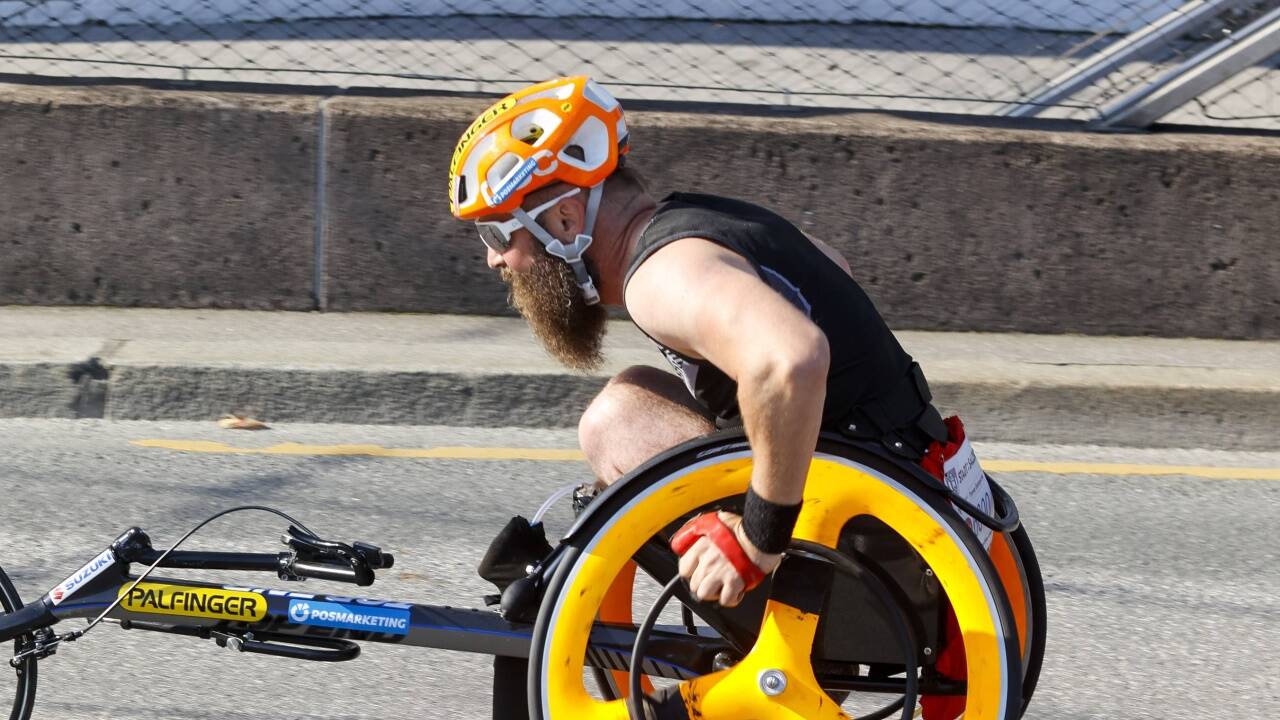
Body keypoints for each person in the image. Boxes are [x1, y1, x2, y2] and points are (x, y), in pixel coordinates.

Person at [448, 75, 977, 720]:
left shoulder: (660, 274)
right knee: (639, 392)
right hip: (934, 503)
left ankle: (782, 640)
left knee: (618, 422)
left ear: (562, 218)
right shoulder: (707, 220)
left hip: (889, 557)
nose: (495, 261)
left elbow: (793, 359)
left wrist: (758, 535)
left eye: (500, 236)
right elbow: (832, 269)